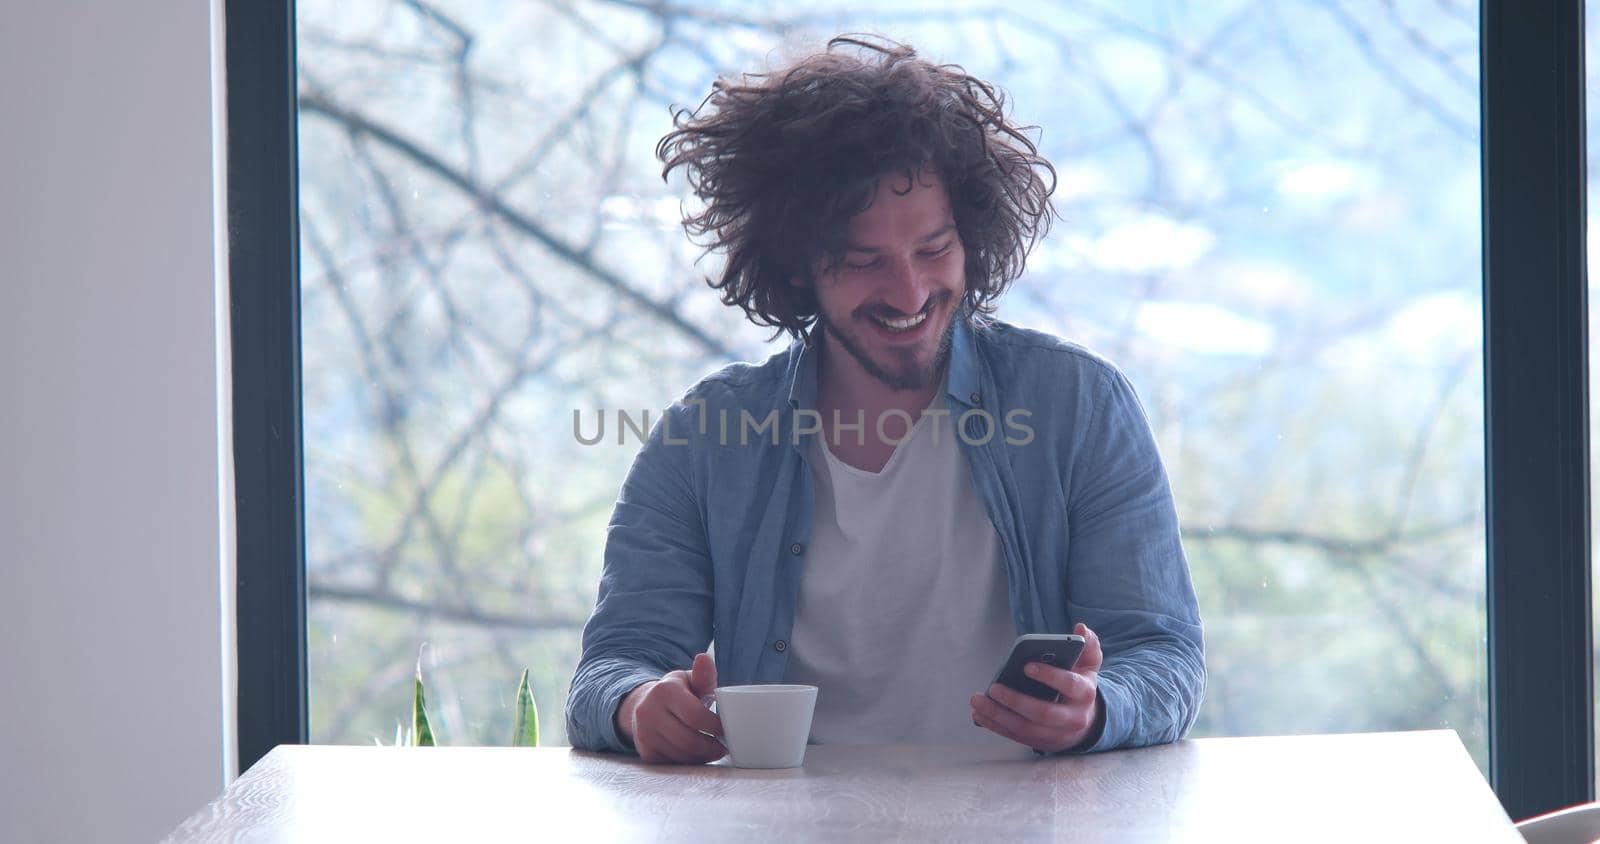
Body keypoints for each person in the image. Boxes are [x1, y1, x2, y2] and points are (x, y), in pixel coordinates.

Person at [565, 35, 1204, 764]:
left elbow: (1163, 656)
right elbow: (609, 668)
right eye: (864, 261)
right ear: (799, 266)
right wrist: (638, 706)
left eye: (934, 250)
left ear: (973, 238)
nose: (909, 293)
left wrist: (1099, 710)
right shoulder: (704, 438)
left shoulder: (1079, 407)